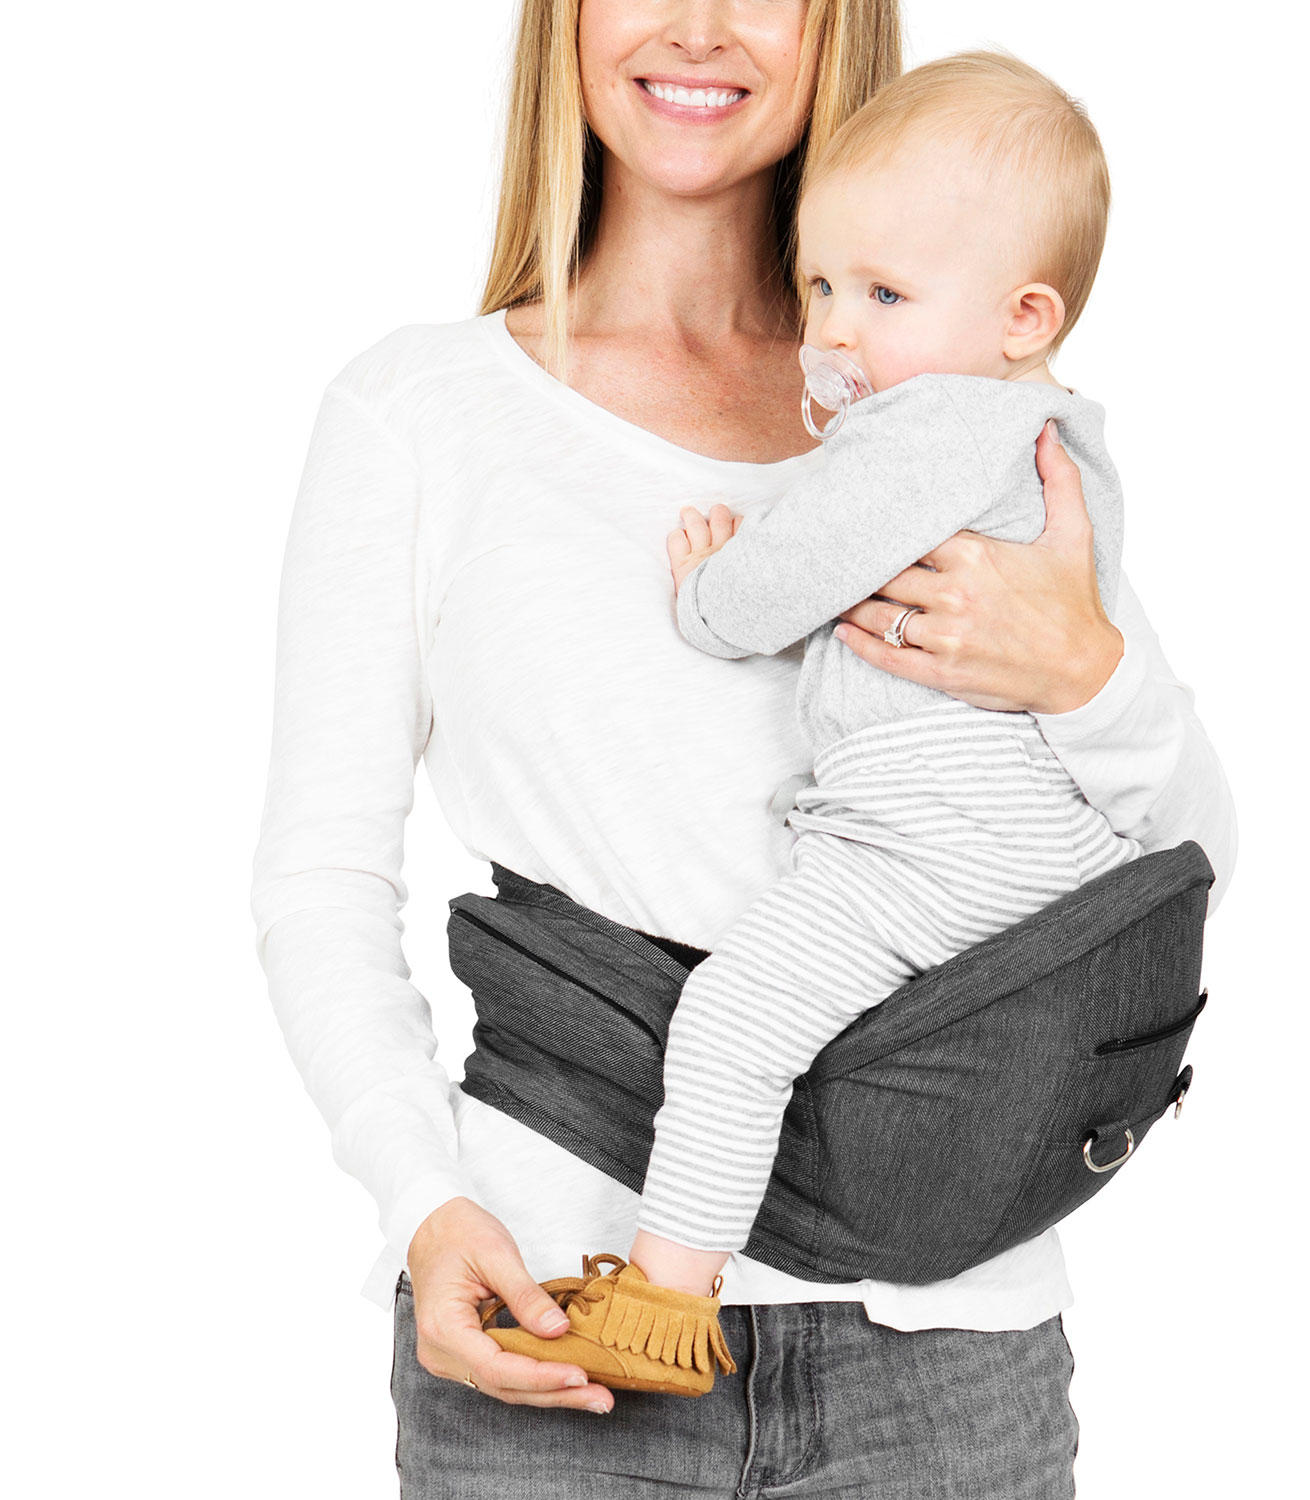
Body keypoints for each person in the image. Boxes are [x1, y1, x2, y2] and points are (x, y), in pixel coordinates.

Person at [249, 1, 1237, 1493]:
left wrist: (1087, 674)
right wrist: (422, 1203)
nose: (701, 25)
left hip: (943, 1357)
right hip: (550, 1314)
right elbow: (321, 879)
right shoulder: (424, 413)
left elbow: (1181, 866)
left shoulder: (952, 402)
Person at [483, 49, 1147, 1396]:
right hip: (1032, 835)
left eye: (885, 296)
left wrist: (712, 587)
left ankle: (665, 1304)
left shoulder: (934, 429)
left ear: (1024, 317)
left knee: (735, 1019)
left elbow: (762, 601)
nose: (837, 329)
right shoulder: (1038, 434)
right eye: (824, 286)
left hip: (934, 836)